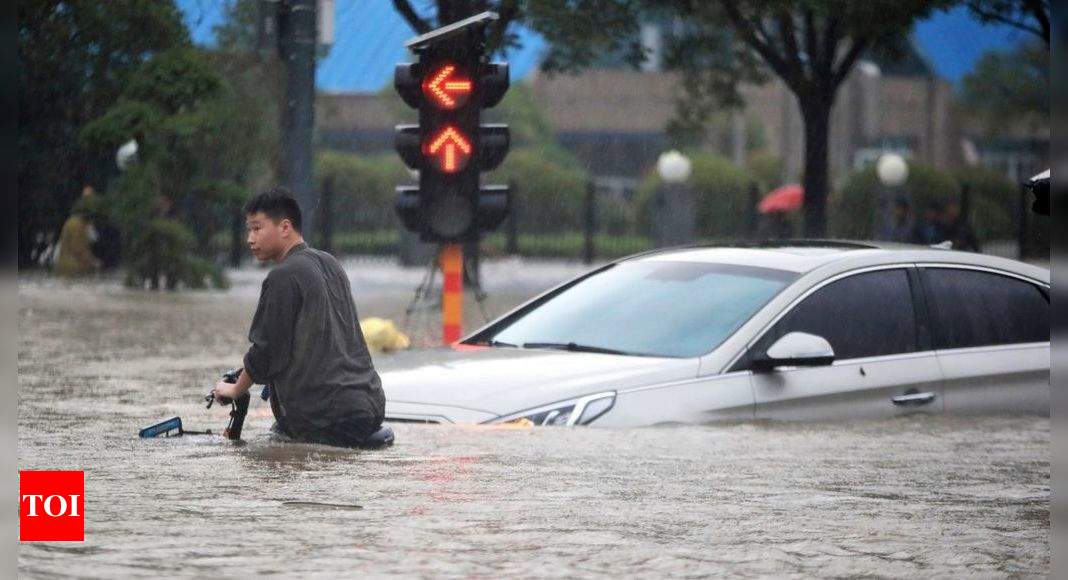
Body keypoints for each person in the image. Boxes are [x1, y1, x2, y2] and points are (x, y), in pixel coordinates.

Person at [211, 187, 387, 447]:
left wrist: (236, 389)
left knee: (263, 472)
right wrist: (246, 373)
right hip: (369, 407)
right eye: (248, 230)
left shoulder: (283, 276)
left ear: (285, 227)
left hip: (323, 418)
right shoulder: (331, 263)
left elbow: (266, 352)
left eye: (257, 228)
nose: (249, 239)